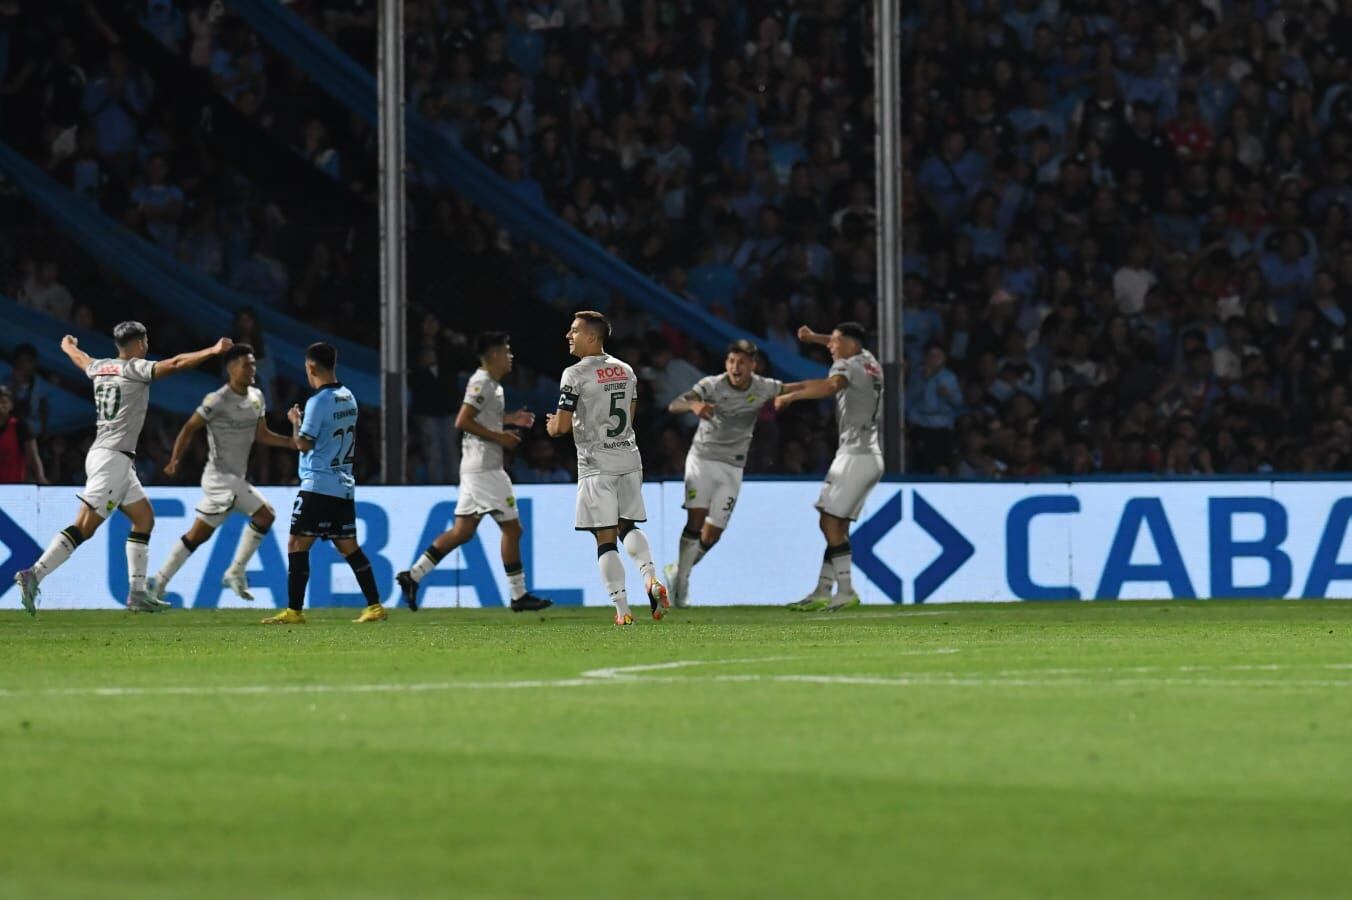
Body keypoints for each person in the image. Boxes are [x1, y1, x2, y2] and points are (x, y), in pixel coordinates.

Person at [12, 323, 231, 616]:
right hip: (112, 460)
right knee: (84, 526)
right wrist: (214, 350)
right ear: (140, 343)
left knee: (144, 519)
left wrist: (67, 346)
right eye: (146, 340)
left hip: (111, 456)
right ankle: (34, 574)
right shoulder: (135, 369)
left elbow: (80, 359)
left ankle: (138, 594)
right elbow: (177, 363)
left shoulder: (100, 367)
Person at [396, 331, 552, 612]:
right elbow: (462, 420)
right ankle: (518, 596)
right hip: (485, 469)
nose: (510, 356)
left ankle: (412, 576)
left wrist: (509, 419)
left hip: (476, 467)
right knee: (513, 529)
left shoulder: (492, 384)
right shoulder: (482, 383)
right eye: (506, 351)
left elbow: (483, 418)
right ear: (493, 355)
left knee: (462, 531)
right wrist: (501, 437)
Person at [146, 342, 295, 605]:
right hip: (218, 478)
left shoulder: (256, 397)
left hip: (235, 479)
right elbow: (189, 428)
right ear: (231, 367)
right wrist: (175, 459)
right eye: (246, 364)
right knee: (265, 514)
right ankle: (234, 571)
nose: (252, 368)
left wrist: (291, 444)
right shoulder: (216, 400)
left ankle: (158, 581)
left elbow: (262, 435)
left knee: (198, 535)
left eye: (253, 363)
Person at [545, 311, 668, 625]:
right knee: (628, 525)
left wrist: (552, 426)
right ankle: (651, 578)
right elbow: (631, 411)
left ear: (591, 337)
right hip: (629, 458)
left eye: (574, 331)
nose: (567, 336)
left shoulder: (574, 374)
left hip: (596, 465)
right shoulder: (625, 370)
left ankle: (623, 611)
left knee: (605, 537)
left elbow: (559, 427)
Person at [263, 343, 386, 625]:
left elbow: (303, 443)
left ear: (311, 367)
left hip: (318, 483)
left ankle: (294, 611)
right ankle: (375, 606)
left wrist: (295, 422)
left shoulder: (317, 402)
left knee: (296, 544)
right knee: (348, 546)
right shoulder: (349, 397)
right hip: (343, 484)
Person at [662, 339, 790, 607]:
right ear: (726, 364)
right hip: (702, 458)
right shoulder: (711, 385)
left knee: (713, 534)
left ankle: (678, 570)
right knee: (696, 516)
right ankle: (682, 584)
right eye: (732, 361)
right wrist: (693, 405)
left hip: (733, 466)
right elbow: (675, 404)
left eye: (741, 362)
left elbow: (795, 388)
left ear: (753, 365)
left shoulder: (762, 386)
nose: (735, 366)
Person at [775, 323, 885, 612]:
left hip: (856, 456)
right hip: (866, 454)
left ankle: (846, 591)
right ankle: (824, 590)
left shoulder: (847, 367)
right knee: (835, 524)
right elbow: (843, 342)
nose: (831, 347)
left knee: (829, 523)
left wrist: (791, 395)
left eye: (835, 343)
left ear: (849, 344)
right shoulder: (869, 360)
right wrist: (814, 338)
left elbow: (829, 386)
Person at [0, 385, 48, 484]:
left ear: (11, 405)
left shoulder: (20, 427)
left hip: (15, 487)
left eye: (3, 402)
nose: (0, 406)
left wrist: (41, 478)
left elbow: (33, 457)